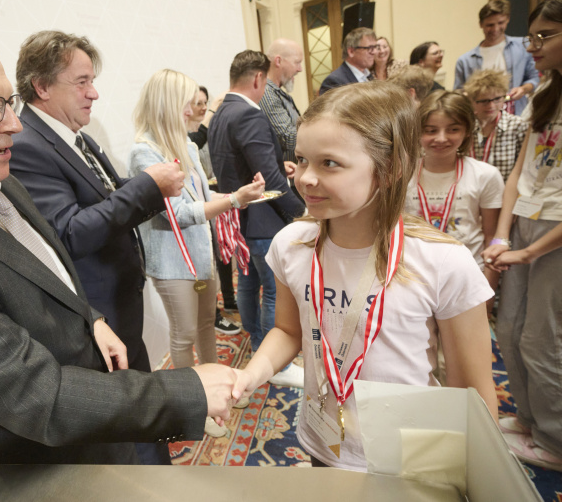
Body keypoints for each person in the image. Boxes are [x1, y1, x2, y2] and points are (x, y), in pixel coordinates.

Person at [0, 21, 238, 489]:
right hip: (42, 473)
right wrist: (185, 391)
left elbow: (46, 270)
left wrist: (91, 317)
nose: (14, 124)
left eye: (8, 102)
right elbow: (33, 395)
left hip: (101, 434)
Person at [231, 82, 498, 471]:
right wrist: (252, 374)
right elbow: (289, 331)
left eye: (329, 163)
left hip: (409, 453)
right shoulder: (291, 244)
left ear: (390, 170)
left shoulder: (443, 262)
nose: (305, 178)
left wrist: (479, 471)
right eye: (302, 160)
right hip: (324, 440)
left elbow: (471, 388)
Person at [9, 31, 181, 373]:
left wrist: (155, 187)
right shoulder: (26, 145)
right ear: (41, 86)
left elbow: (105, 197)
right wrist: (148, 185)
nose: (94, 93)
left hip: (121, 305)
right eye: (82, 82)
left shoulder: (76, 136)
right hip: (95, 317)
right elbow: (69, 232)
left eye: (92, 81)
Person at [128, 69, 265, 436]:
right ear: (169, 105)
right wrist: (234, 200)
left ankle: (219, 390)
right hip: (173, 262)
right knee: (184, 334)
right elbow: (177, 215)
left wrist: (239, 195)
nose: (194, 109)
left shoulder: (186, 145)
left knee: (206, 325)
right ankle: (194, 403)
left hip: (200, 254)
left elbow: (203, 198)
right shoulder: (144, 153)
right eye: (188, 102)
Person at [482, 0, 562, 472]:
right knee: (510, 329)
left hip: (554, 233)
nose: (531, 47)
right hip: (526, 224)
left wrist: (530, 252)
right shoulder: (545, 93)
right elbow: (519, 174)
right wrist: (501, 236)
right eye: (530, 37)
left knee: (543, 338)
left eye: (543, 36)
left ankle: (555, 440)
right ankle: (531, 420)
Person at [209, 50, 306, 388]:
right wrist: (301, 212)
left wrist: (279, 165)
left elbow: (245, 165)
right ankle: (274, 364)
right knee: (272, 292)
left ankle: (255, 343)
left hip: (238, 217)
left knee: (248, 284)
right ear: (258, 78)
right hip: (263, 218)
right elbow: (272, 181)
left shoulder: (221, 112)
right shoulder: (249, 114)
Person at [405, 91, 503, 312]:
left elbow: (492, 237)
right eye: (430, 130)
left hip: (467, 278)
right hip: (414, 277)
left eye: (453, 129)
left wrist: (488, 291)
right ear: (417, 131)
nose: (441, 138)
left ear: (467, 130)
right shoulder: (403, 174)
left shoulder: (485, 175)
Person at [187, 85, 241, 331]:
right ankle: (215, 312)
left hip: (217, 195)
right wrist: (211, 112)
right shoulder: (188, 136)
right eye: (197, 103)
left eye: (205, 103)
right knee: (209, 259)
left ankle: (228, 299)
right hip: (201, 204)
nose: (202, 108)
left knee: (224, 252)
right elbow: (196, 143)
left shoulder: (212, 129)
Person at [454, 0, 540, 116]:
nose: (495, 29)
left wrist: (523, 89)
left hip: (517, 113)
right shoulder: (465, 61)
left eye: (500, 23)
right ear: (481, 24)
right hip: (481, 116)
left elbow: (534, 78)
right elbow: (458, 93)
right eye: (490, 25)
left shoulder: (523, 47)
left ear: (507, 19)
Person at [464, 69, 529, 181]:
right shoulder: (466, 126)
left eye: (497, 99)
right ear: (472, 101)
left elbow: (523, 170)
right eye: (484, 101)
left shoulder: (517, 126)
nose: (491, 106)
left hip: (504, 188)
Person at [260, 38, 304, 162]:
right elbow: (289, 139)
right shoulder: (267, 93)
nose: (300, 69)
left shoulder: (276, 92)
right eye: (297, 62)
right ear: (278, 61)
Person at [318, 27, 377, 95]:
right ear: (351, 51)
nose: (374, 52)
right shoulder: (334, 82)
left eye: (375, 47)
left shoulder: (369, 76)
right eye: (369, 48)